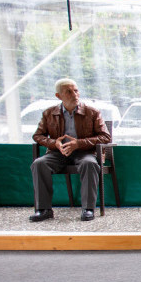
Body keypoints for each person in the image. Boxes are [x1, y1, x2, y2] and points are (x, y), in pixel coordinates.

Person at [30, 78, 111, 222]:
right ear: (58, 96)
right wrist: (55, 143)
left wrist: (78, 143)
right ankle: (43, 209)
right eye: (69, 92)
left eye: (76, 90)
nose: (74, 94)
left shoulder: (92, 112)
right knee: (39, 164)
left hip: (85, 152)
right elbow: (38, 135)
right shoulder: (49, 113)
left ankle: (88, 209)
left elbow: (105, 137)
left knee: (90, 164)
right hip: (57, 153)